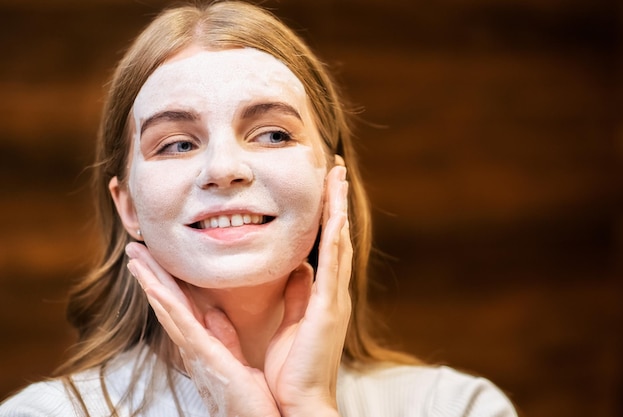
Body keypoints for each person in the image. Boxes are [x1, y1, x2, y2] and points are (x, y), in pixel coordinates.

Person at [0, 1, 518, 416]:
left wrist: (310, 408)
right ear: (128, 206)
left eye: (272, 134)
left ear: (330, 179)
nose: (224, 168)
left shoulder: (455, 407)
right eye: (177, 144)